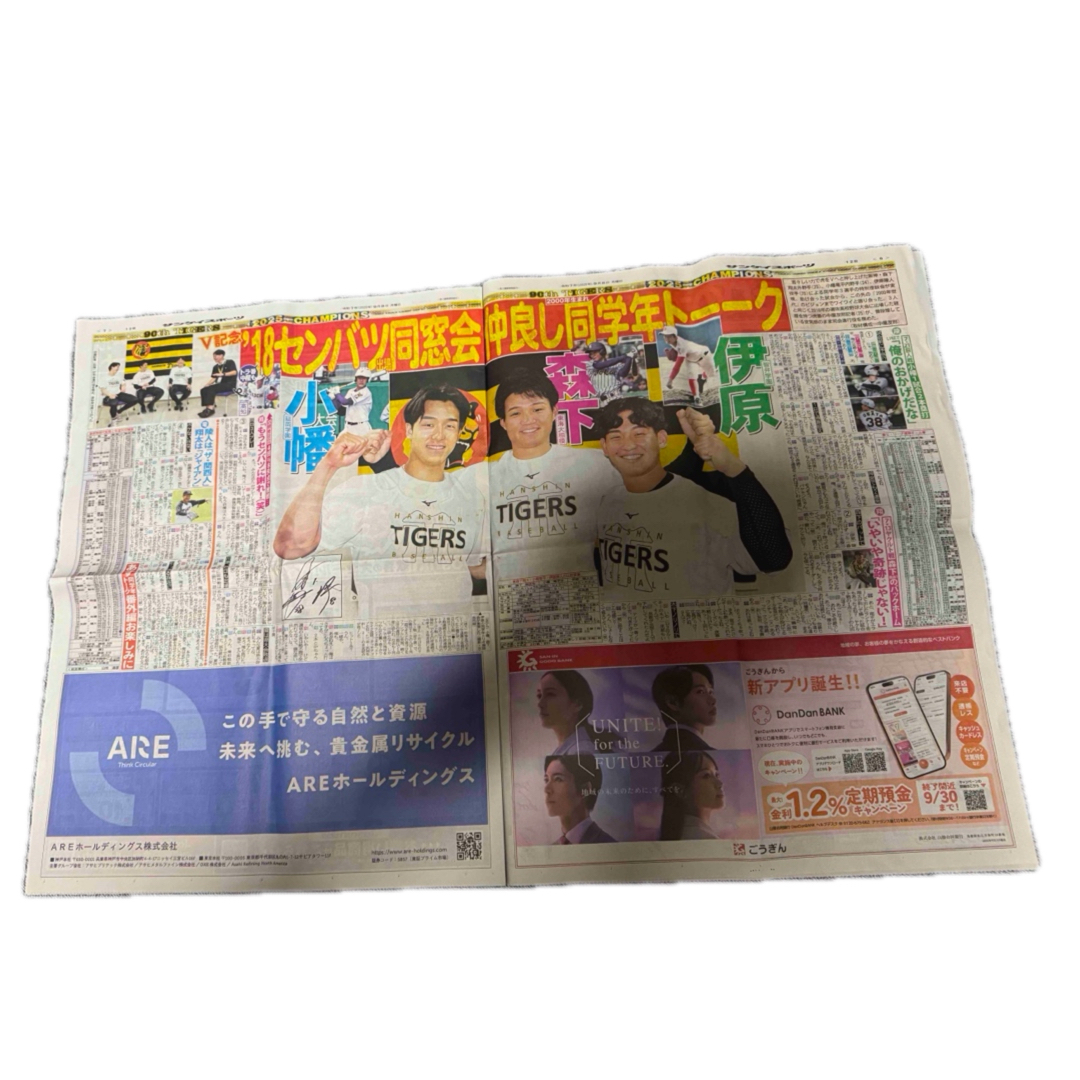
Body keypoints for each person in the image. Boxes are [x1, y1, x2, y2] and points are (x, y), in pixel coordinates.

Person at [273, 383, 487, 613]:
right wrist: (328, 465)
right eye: (428, 424)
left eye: (450, 426)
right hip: (387, 629)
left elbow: (472, 565)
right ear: (409, 429)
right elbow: (290, 546)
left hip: (457, 630)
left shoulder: (470, 496)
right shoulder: (365, 490)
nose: (439, 435)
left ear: (459, 433)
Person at [594, 397, 791, 600]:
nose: (628, 445)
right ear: (604, 446)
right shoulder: (608, 500)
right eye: (616, 437)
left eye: (639, 434)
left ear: (661, 438)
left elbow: (774, 561)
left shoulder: (709, 502)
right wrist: (693, 446)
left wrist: (734, 468)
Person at [489, 369, 623, 553]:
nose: (528, 420)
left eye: (537, 409)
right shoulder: (484, 477)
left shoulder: (595, 464)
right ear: (503, 422)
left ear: (554, 411)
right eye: (515, 413)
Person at [543, 755, 616, 844]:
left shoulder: (608, 845)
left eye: (558, 779)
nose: (547, 789)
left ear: (585, 789)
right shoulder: (553, 847)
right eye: (546, 780)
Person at [650, 665, 718, 752]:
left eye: (711, 692)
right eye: (700, 691)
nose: (713, 700)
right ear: (673, 703)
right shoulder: (705, 753)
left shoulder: (656, 752)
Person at [659, 751, 725, 840]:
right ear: (679, 790)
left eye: (716, 775)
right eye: (706, 776)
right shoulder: (704, 838)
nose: (719, 783)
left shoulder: (682, 834)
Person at [536, 670, 597, 755]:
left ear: (577, 704)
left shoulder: (581, 751)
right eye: (539, 696)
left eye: (550, 694)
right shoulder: (571, 749)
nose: (540, 704)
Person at [661, 325, 713, 404]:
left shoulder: (682, 346)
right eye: (665, 336)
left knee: (711, 374)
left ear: (675, 337)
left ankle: (702, 378)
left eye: (668, 336)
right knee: (691, 375)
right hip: (690, 358)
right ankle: (696, 397)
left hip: (704, 355)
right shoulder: (672, 342)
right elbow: (677, 350)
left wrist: (670, 380)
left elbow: (677, 366)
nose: (666, 338)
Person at [198, 349, 238, 417]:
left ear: (221, 355)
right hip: (220, 384)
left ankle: (211, 409)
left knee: (211, 389)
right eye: (214, 356)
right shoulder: (215, 367)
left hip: (229, 384)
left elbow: (234, 372)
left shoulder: (230, 362)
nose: (214, 358)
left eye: (215, 356)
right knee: (203, 389)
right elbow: (213, 378)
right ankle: (208, 407)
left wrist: (223, 374)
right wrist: (206, 385)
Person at [333, 367, 374, 434]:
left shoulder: (365, 392)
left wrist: (337, 393)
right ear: (356, 379)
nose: (361, 380)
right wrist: (333, 398)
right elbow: (341, 411)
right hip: (348, 427)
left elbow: (345, 401)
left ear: (367, 380)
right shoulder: (351, 391)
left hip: (361, 427)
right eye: (359, 378)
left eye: (364, 378)